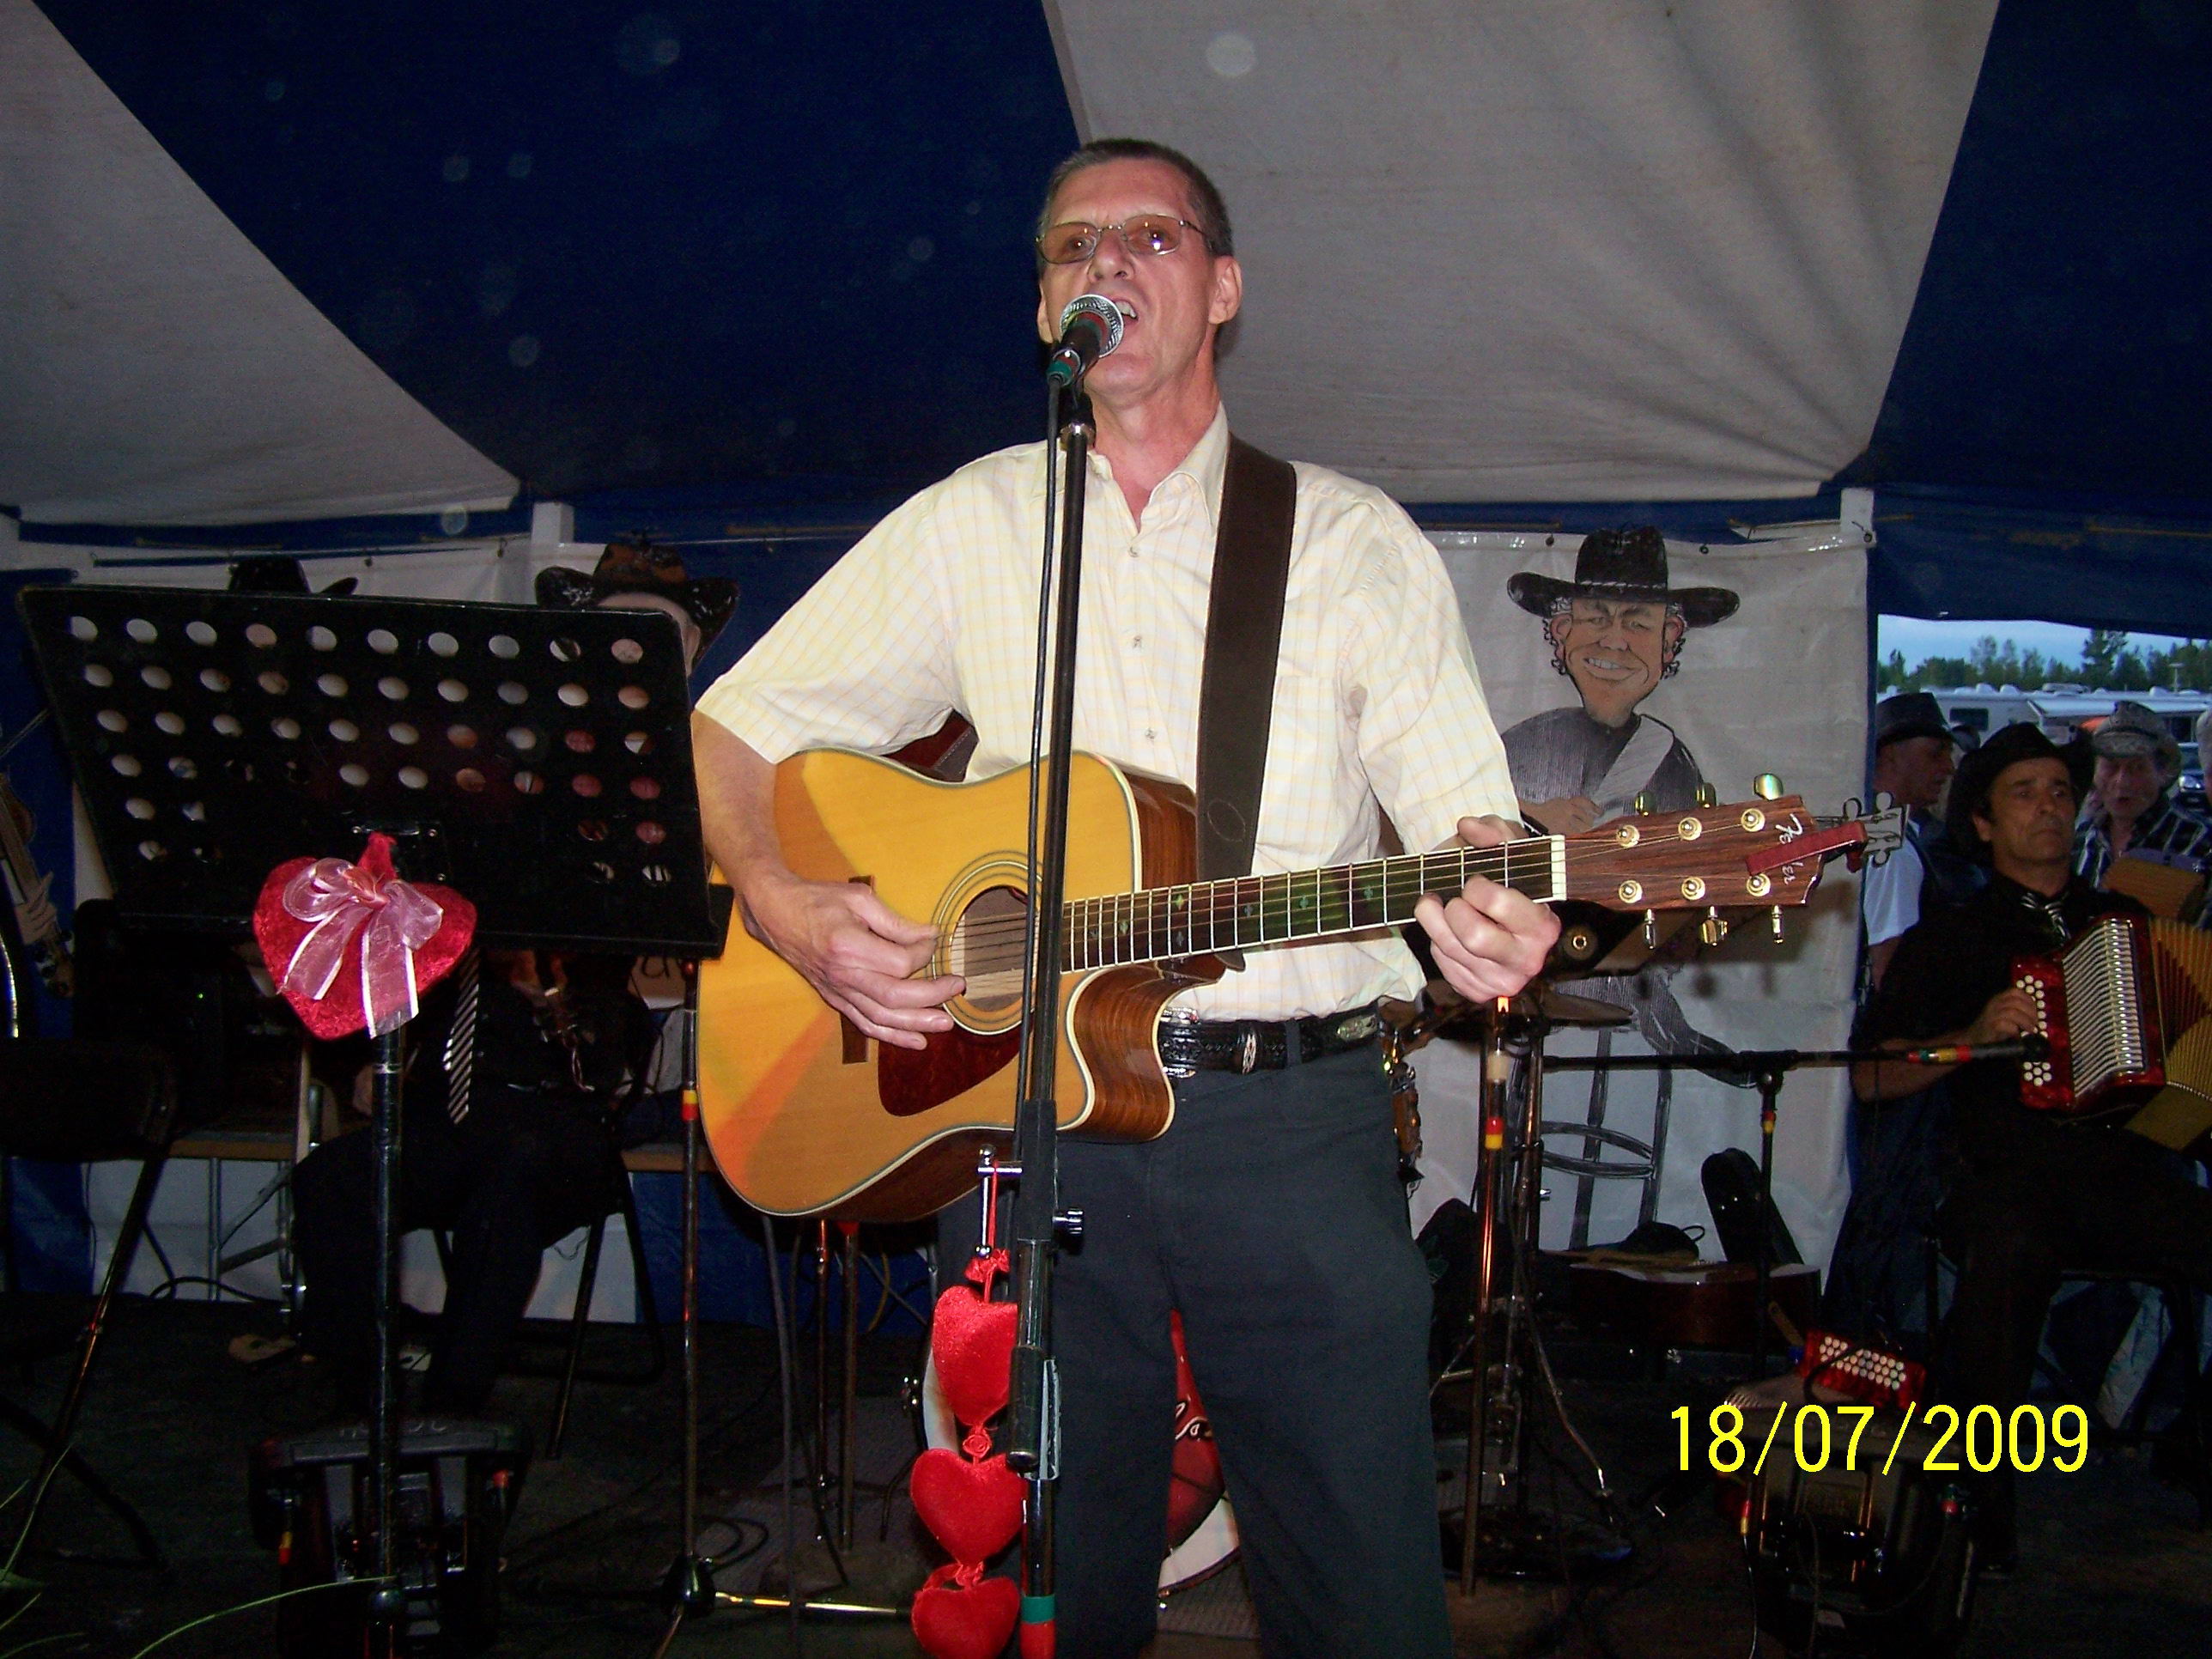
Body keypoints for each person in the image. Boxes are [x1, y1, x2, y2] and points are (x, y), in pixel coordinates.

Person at [690, 137, 1557, 1657]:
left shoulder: (1346, 540)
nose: (1107, 262)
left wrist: (1497, 907)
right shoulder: (976, 520)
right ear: (1045, 311)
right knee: (1055, 1580)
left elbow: (1464, 827)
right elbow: (734, 727)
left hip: (1288, 1126)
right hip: (1032, 1121)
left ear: (1222, 289)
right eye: (1072, 245)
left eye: (1152, 237)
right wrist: (782, 898)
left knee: (1358, 1582)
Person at [293, 543, 731, 1413]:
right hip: (460, 1093)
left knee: (512, 1169)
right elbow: (415, 927)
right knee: (331, 1180)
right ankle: (366, 1405)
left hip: (572, 1106)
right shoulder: (511, 781)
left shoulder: (700, 785)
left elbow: (696, 954)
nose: (626, 662)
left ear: (682, 662)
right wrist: (382, 1046)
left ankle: (450, 1412)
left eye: (653, 642)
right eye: (611, 639)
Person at [1852, 722, 2212, 1567]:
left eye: (2058, 791)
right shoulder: (1950, 937)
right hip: (2002, 1176)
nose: (2048, 807)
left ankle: (2191, 1440)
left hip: (2127, 1172)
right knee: (2008, 1246)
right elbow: (1869, 1077)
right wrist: (1967, 1039)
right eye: (2023, 793)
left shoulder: (2124, 919)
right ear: (1981, 822)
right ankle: (1977, 1501)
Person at [1500, 526, 1738, 835]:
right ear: (1562, 631)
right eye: (1597, 620)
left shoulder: (1670, 761)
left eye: (1637, 624)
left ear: (1668, 640)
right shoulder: (1524, 742)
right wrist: (1529, 815)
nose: (1614, 642)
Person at [2072, 700, 2212, 924]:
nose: (2121, 781)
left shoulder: (2200, 843)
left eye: (2137, 768)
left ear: (2163, 773)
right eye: (2110, 767)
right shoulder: (2078, 842)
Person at [1860, 691, 1961, 990]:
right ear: (1891, 756)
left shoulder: (1873, 828)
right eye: (1936, 753)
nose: (1949, 767)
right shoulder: (1891, 849)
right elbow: (1890, 972)